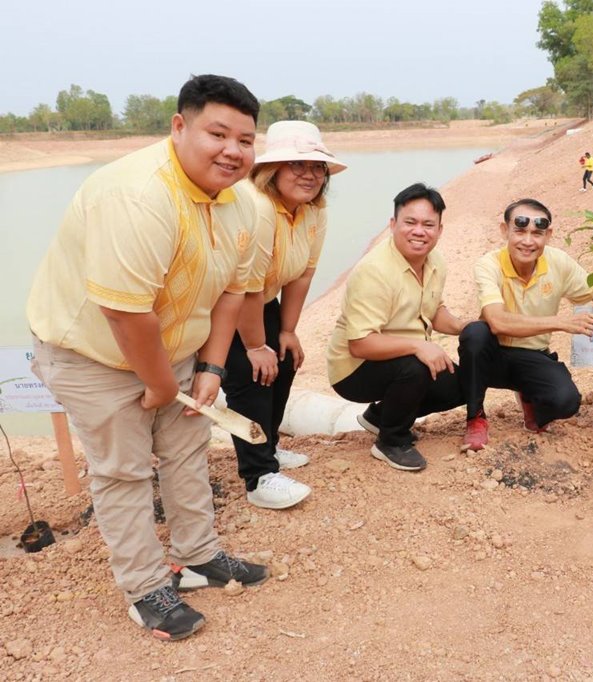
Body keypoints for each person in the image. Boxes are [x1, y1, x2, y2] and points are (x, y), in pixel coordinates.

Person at [27, 74, 269, 641]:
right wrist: (161, 386)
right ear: (179, 126)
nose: (233, 151)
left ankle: (199, 556)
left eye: (245, 140)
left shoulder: (243, 203)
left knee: (186, 452)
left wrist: (210, 368)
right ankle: (145, 588)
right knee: (124, 470)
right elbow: (125, 315)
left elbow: (232, 292)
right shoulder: (136, 196)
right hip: (94, 353)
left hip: (176, 348)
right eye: (218, 134)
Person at [222, 121, 346, 509]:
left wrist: (288, 331)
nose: (309, 174)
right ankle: (258, 476)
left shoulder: (314, 210)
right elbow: (245, 287)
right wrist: (254, 346)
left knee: (285, 359)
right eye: (297, 164)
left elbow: (303, 273)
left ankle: (270, 445)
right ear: (271, 169)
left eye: (317, 166)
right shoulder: (256, 207)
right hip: (221, 302)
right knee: (251, 375)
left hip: (261, 298)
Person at [328, 183, 469, 472]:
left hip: (400, 357)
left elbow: (433, 309)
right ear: (393, 225)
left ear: (440, 230)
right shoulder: (374, 271)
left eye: (428, 225)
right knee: (416, 367)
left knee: (460, 387)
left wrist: (461, 326)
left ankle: (380, 417)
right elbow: (360, 344)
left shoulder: (435, 261)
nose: (419, 231)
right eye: (410, 222)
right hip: (355, 368)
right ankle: (391, 441)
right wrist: (419, 345)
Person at [457, 199, 593, 450]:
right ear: (505, 230)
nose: (528, 241)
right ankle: (475, 418)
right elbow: (496, 321)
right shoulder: (489, 264)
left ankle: (530, 399)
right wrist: (560, 322)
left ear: (548, 235)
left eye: (537, 233)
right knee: (475, 333)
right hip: (493, 356)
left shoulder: (558, 261)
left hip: (533, 355)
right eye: (519, 231)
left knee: (566, 401)